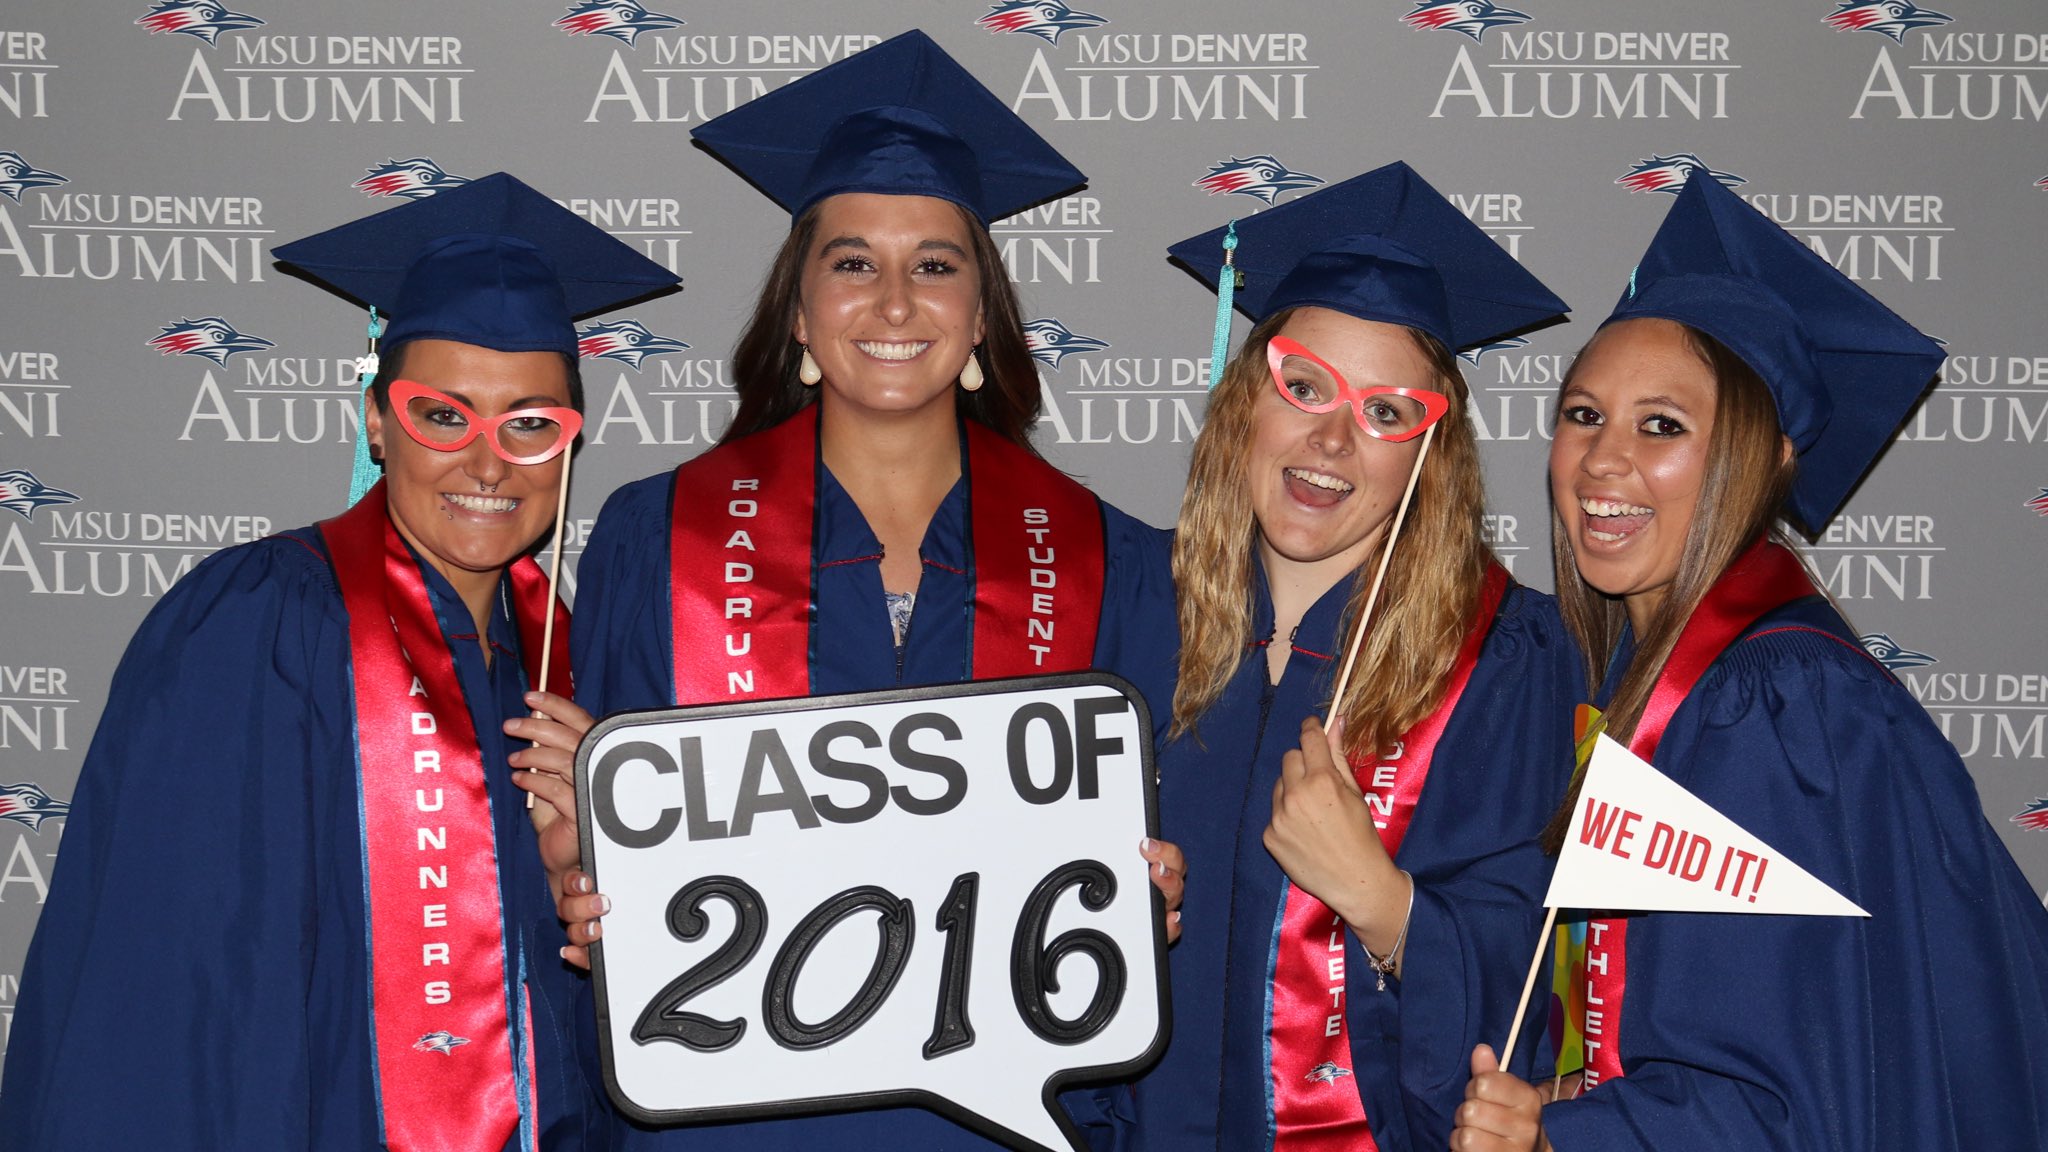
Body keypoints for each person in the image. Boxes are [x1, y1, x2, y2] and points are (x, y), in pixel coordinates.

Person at [552, 29, 1182, 1152]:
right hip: (726, 1120)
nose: (894, 301)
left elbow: (1153, 843)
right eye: (851, 262)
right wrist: (584, 879)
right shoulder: (656, 539)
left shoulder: (1109, 558)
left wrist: (1152, 883)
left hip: (1006, 1122)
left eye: (935, 264)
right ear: (798, 313)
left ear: (981, 315)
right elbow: (602, 847)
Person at [0, 173, 678, 1151]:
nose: (488, 463)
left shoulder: (570, 673)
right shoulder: (259, 623)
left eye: (531, 422)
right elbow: (166, 997)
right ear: (374, 419)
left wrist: (585, 881)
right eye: (443, 415)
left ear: (571, 447)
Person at [1452, 169, 2048, 1152]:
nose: (1602, 460)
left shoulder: (1767, 706)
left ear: (1766, 456)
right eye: (1581, 413)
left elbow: (1770, 1106)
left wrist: (1558, 1138)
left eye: (1661, 427)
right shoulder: (1663, 678)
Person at [1118, 161, 1583, 1152]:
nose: (1330, 440)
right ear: (1246, 400)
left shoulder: (1508, 664)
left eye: (1383, 413)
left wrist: (1384, 905)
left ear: (1429, 452)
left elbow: (1537, 993)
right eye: (1303, 387)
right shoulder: (1126, 613)